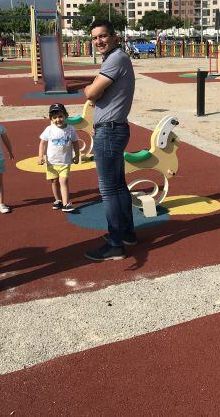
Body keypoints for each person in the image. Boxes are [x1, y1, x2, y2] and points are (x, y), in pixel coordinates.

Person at [83, 19, 136, 261]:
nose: (98, 41)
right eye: (94, 38)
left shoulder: (116, 59)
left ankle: (116, 243)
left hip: (109, 130)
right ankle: (126, 233)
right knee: (118, 184)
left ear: (114, 36)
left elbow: (92, 93)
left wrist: (90, 90)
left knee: (108, 188)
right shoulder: (116, 59)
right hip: (116, 128)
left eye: (103, 36)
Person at [37, 102, 81, 212]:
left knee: (63, 181)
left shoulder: (70, 129)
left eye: (60, 116)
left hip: (65, 162)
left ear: (66, 116)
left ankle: (66, 204)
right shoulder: (49, 129)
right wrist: (40, 156)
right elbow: (42, 142)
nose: (58, 119)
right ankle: (58, 200)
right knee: (54, 182)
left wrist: (77, 155)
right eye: (55, 117)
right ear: (51, 119)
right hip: (52, 162)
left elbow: (75, 142)